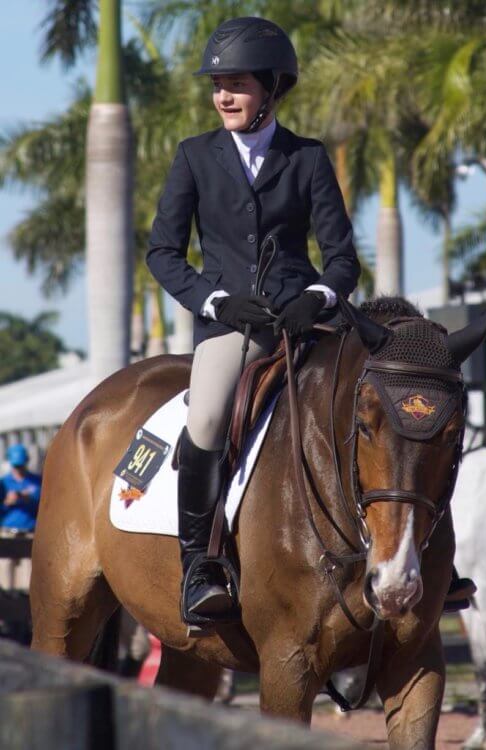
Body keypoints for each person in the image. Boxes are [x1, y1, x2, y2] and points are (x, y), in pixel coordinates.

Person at [147, 16, 361, 624]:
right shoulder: (194, 157)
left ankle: (425, 558)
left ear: (270, 87)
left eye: (236, 83)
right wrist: (215, 301)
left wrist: (315, 298)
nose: (223, 95)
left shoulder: (308, 159)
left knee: (375, 402)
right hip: (230, 323)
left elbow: (343, 258)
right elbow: (163, 253)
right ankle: (200, 566)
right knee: (209, 415)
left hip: (303, 320)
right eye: (217, 84)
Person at [0, 444, 41, 535]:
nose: (18, 469)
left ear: (26, 461)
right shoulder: (3, 483)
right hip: (8, 531)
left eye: (21, 466)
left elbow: (44, 505)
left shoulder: (37, 481)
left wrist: (28, 498)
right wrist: (7, 503)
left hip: (31, 531)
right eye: (16, 466)